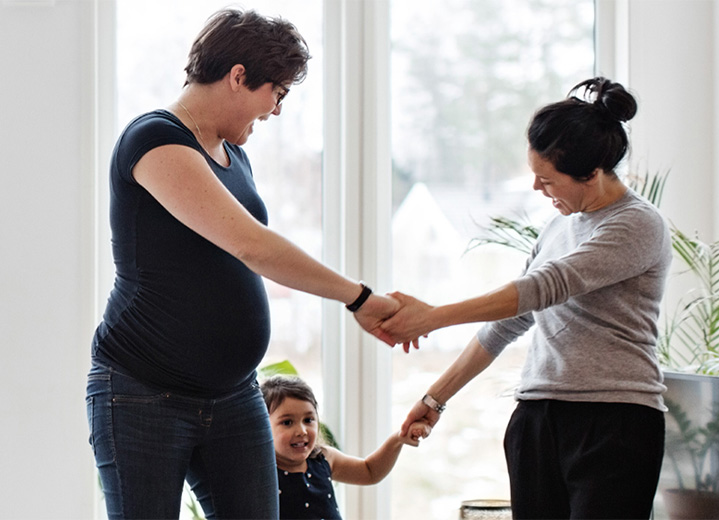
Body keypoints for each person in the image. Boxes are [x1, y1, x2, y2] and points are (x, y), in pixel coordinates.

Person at [85, 8, 401, 520]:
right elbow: (252, 246)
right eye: (276, 92)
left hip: (233, 393)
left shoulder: (234, 155)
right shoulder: (155, 140)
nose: (276, 109)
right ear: (238, 77)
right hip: (144, 392)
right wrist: (360, 298)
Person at [382, 77, 672, 519]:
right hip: (537, 418)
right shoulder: (558, 227)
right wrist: (435, 397)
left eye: (547, 179)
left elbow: (545, 286)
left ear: (591, 175)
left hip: (614, 422)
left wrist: (433, 317)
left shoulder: (637, 225)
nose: (538, 189)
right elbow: (510, 322)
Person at [260, 375, 430, 520]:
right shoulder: (260, 471)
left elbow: (370, 471)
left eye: (308, 420)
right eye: (287, 422)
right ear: (262, 426)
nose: (302, 431)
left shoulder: (323, 457)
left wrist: (397, 440)